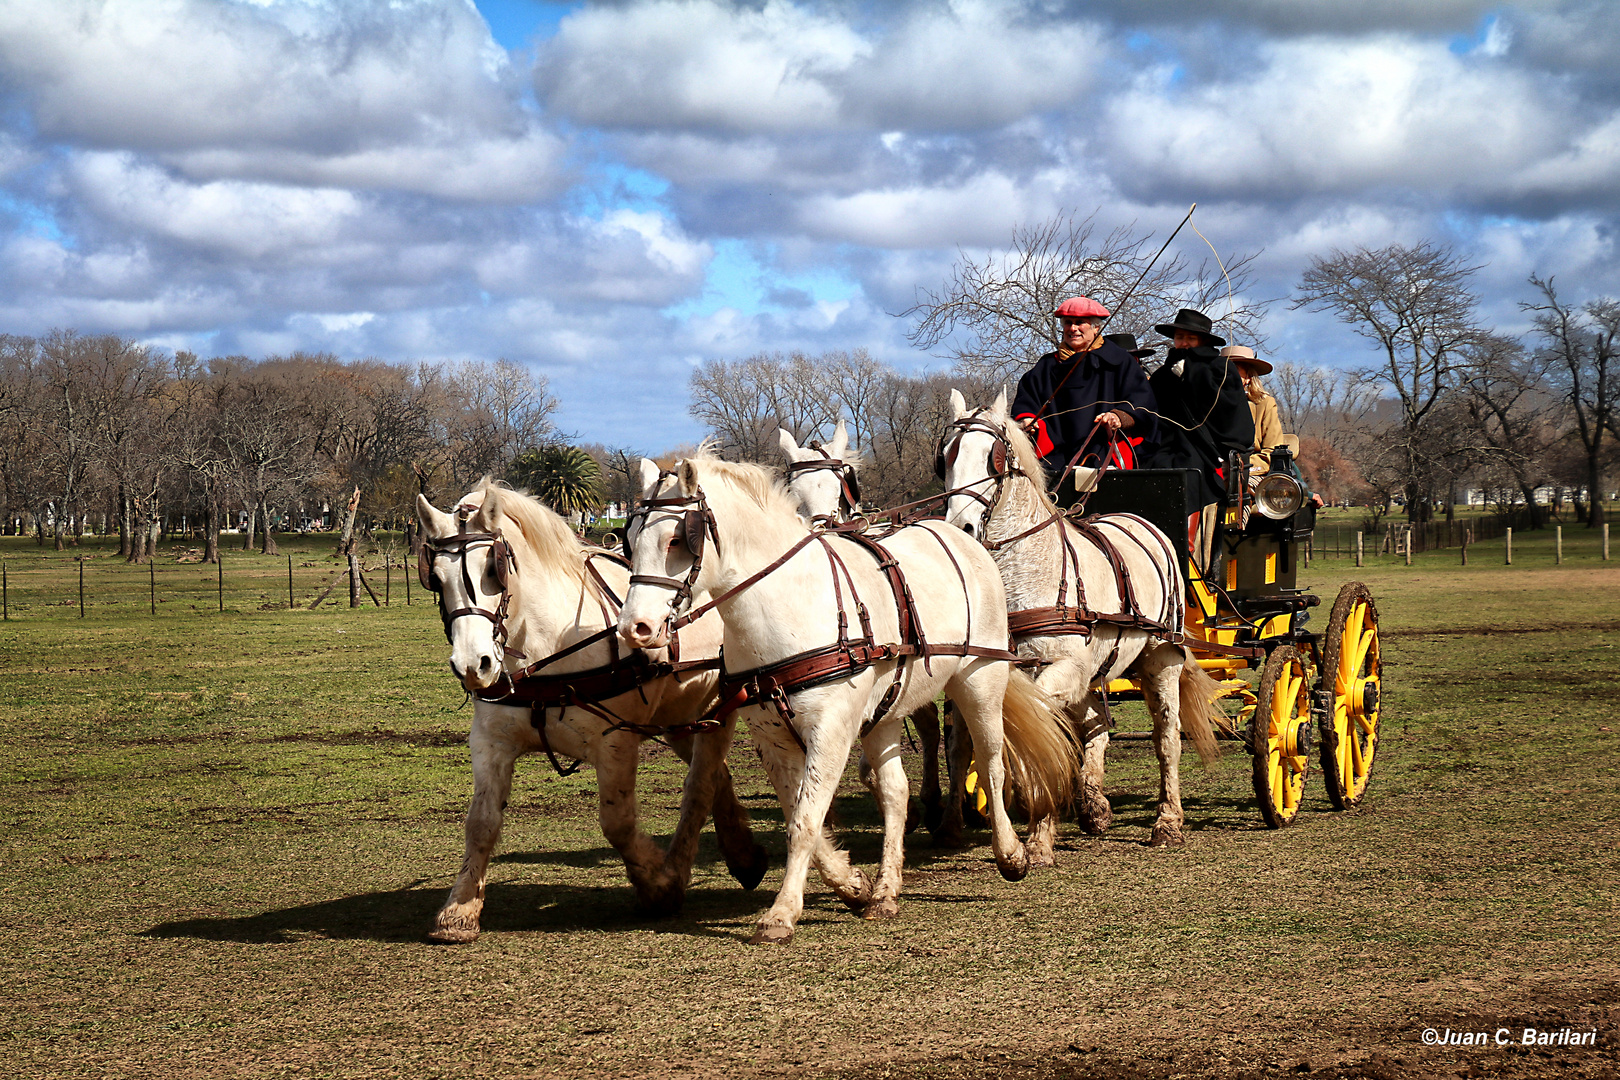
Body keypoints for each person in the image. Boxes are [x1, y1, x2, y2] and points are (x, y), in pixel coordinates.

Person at [1144, 308, 1254, 573]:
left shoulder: (1220, 369)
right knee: (1149, 470)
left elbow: (1230, 413)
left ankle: (1186, 550)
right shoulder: (1162, 375)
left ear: (1202, 341)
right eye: (1179, 337)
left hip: (1207, 450)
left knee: (1189, 475)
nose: (1183, 343)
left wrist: (1191, 376)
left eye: (1190, 339)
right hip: (1167, 445)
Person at [1011, 297, 1158, 486]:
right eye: (1068, 323)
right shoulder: (1046, 366)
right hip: (1054, 456)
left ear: (1096, 328)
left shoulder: (1120, 361)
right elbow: (1027, 399)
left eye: (1080, 323)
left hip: (1103, 451)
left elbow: (1142, 401)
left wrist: (1119, 417)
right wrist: (1027, 419)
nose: (1073, 329)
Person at [1221, 345, 1282, 475]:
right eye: (1222, 369)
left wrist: (1236, 467)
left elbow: (1272, 452)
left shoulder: (1264, 404)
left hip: (1250, 471)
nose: (1226, 375)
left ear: (1248, 377)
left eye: (1234, 370)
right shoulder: (1205, 404)